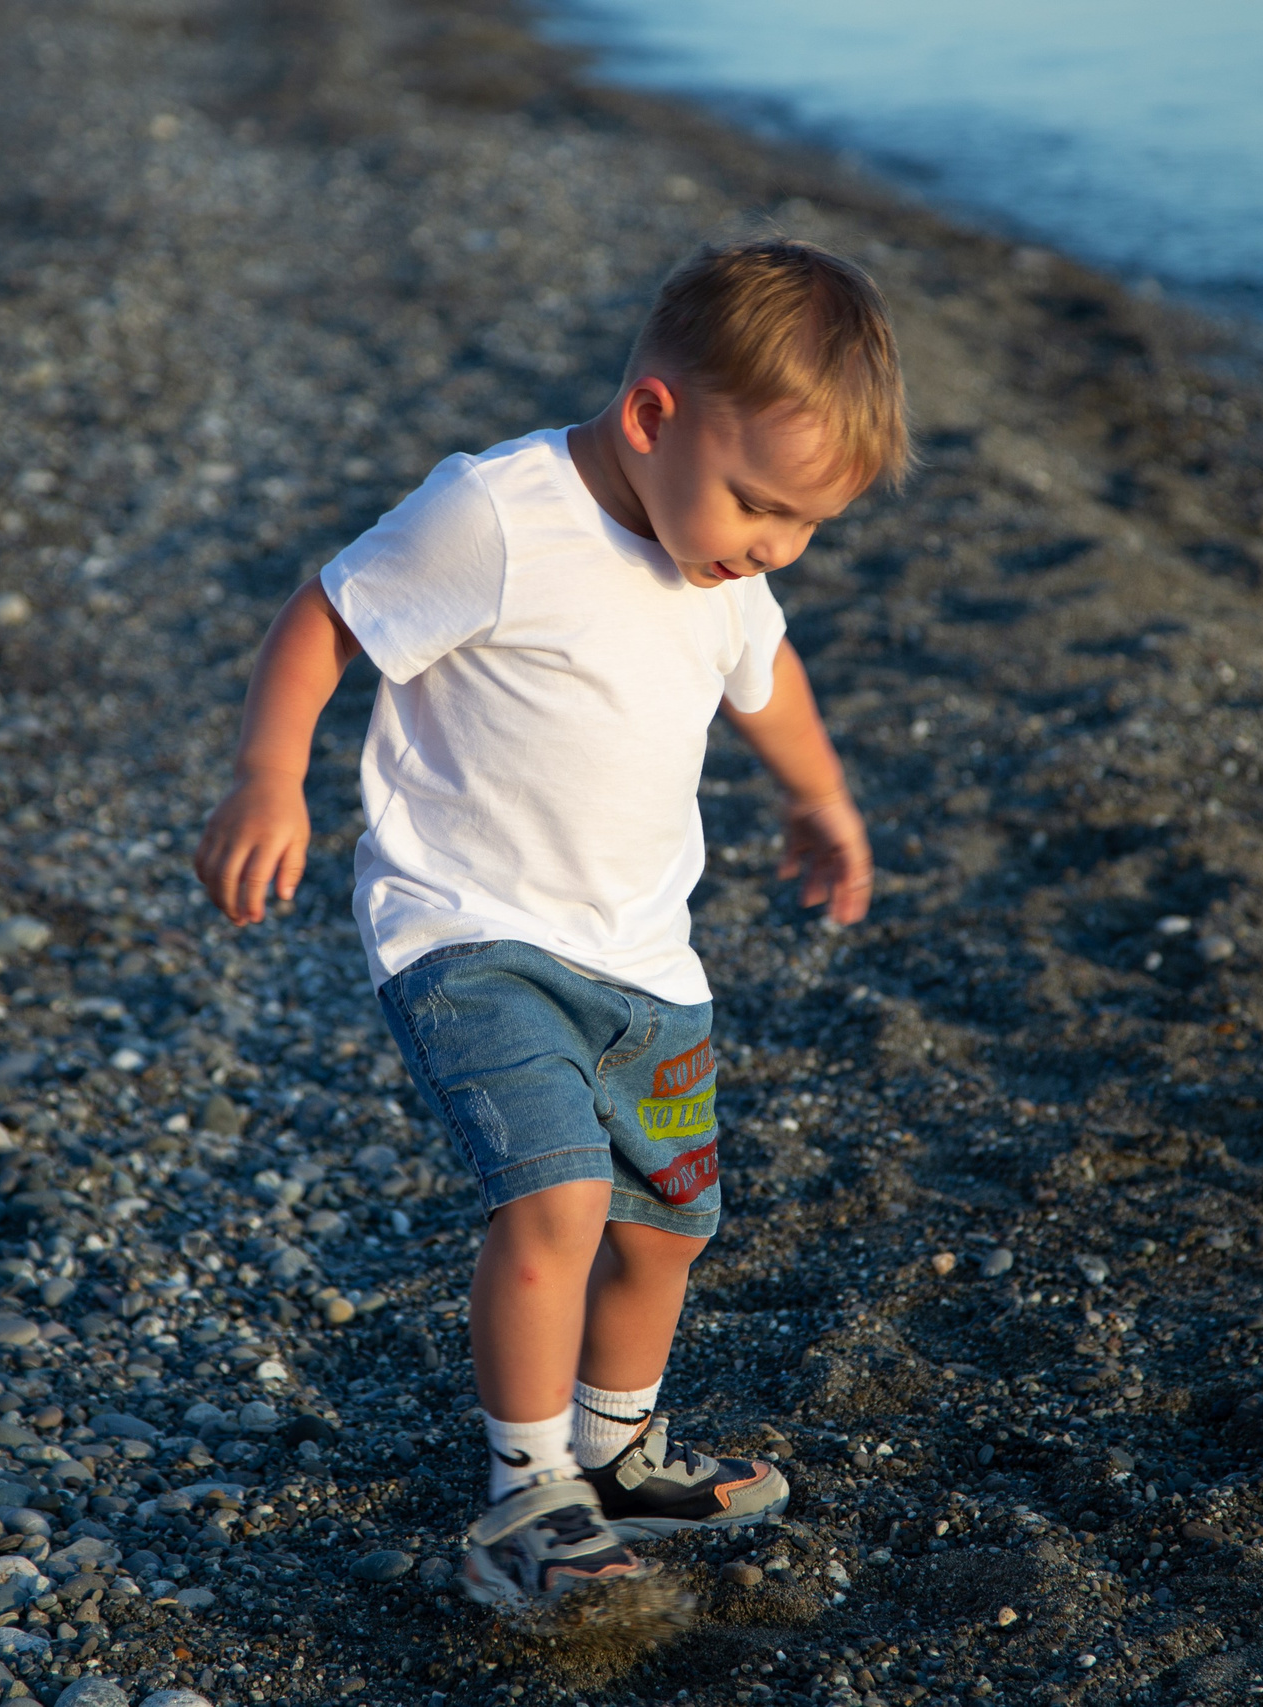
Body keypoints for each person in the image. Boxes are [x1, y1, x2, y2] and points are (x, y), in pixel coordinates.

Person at [192, 237, 910, 1612]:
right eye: (760, 506)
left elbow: (768, 680)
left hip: (644, 953)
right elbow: (329, 615)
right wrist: (266, 777)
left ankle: (618, 1449)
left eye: (807, 528)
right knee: (559, 1199)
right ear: (652, 415)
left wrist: (821, 803)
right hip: (472, 930)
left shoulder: (723, 570)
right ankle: (528, 1499)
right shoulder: (500, 516)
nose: (774, 549)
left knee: (668, 1227)